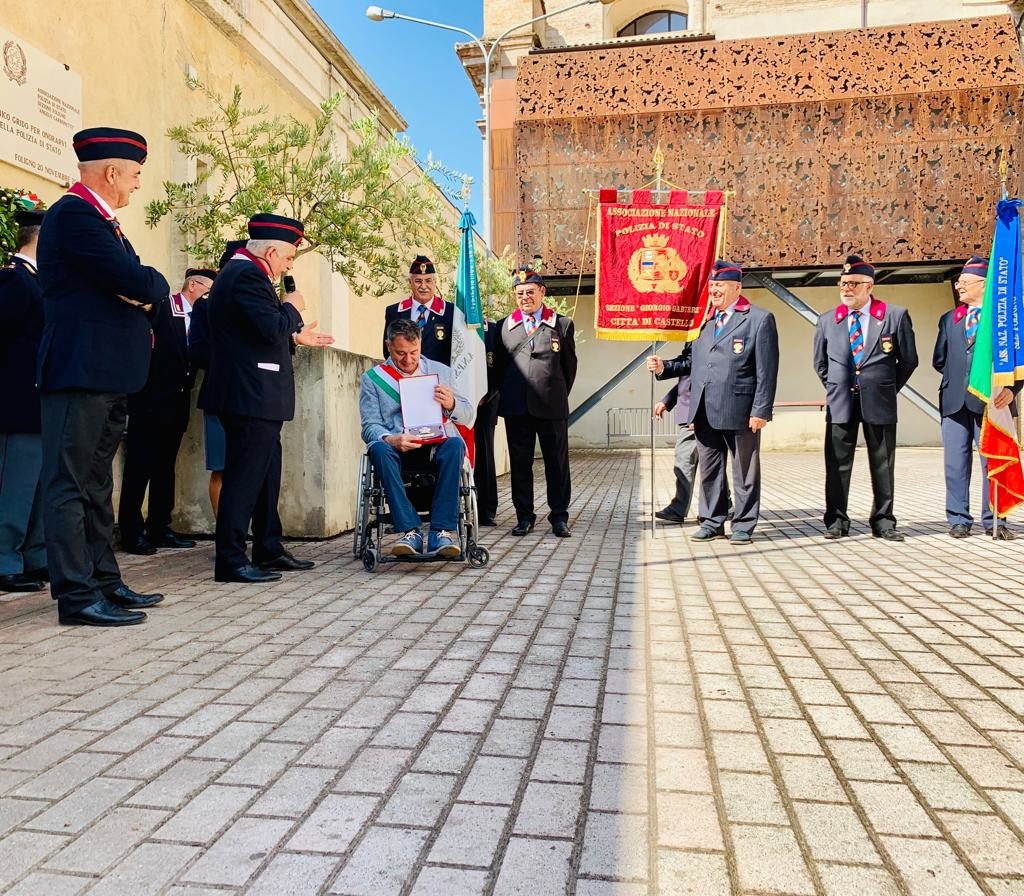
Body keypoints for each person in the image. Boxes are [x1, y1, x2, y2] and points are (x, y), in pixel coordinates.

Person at [37, 127, 170, 626]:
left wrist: (144, 289)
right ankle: (76, 596)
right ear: (112, 172)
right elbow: (138, 280)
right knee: (69, 484)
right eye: (134, 174)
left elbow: (144, 287)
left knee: (95, 485)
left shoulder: (101, 222)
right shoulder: (74, 215)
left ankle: (104, 582)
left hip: (106, 374)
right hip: (81, 371)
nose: (137, 184)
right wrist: (144, 288)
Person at [201, 214, 333, 584]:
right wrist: (292, 307)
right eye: (288, 258)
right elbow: (269, 327)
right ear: (272, 252)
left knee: (265, 475)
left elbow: (253, 332)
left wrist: (294, 335)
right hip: (249, 394)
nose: (289, 266)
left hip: (256, 394)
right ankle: (231, 560)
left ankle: (268, 547)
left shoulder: (246, 274)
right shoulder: (246, 276)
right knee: (243, 479)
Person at [813, 254, 919, 541]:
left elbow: (908, 361)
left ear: (869, 286)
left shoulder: (894, 316)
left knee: (882, 463)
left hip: (880, 401)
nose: (846, 289)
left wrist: (886, 388)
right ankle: (836, 520)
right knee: (837, 464)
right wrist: (836, 386)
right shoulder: (828, 320)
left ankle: (883, 521)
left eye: (853, 284)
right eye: (843, 283)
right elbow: (820, 364)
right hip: (841, 402)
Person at [360, 317, 474, 557]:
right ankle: (410, 531)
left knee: (455, 444)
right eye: (401, 353)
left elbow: (468, 414)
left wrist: (451, 404)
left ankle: (440, 532)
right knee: (377, 448)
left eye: (414, 352)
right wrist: (390, 439)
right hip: (397, 449)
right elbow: (369, 426)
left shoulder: (441, 371)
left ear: (420, 344)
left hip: (435, 447)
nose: (408, 359)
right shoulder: (373, 378)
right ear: (389, 346)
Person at [118, 267, 213, 554]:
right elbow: (143, 311)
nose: (209, 298)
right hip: (149, 401)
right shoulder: (164, 306)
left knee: (165, 467)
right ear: (193, 285)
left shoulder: (202, 319)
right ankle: (131, 530)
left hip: (177, 403)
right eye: (208, 291)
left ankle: (160, 526)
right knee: (139, 468)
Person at [689, 260, 779, 544]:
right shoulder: (704, 321)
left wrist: (761, 410)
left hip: (742, 410)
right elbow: (694, 362)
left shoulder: (758, 319)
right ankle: (712, 522)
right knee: (710, 469)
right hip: (705, 409)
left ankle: (743, 524)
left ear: (737, 287)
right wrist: (664, 367)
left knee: (744, 471)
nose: (714, 291)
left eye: (720, 285)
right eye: (712, 285)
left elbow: (767, 371)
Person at [933, 256, 1018, 539]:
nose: (959, 286)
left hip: (992, 402)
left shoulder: (1003, 321)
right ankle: (958, 519)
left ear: (984, 284)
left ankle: (995, 520)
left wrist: (1012, 389)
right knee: (955, 463)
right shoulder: (949, 319)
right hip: (954, 401)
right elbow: (940, 359)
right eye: (959, 282)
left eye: (965, 282)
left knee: (993, 461)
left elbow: (1017, 361)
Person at [493, 267, 578, 538]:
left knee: (557, 464)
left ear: (542, 292)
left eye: (530, 292)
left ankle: (559, 517)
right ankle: (524, 517)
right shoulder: (504, 327)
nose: (525, 298)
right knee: (520, 465)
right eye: (520, 293)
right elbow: (499, 369)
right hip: (517, 407)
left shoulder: (561, 324)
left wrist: (555, 392)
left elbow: (569, 368)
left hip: (551, 406)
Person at [0, 208, 48, 593]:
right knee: (14, 487)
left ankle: (35, 556)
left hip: (39, 401)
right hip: (16, 403)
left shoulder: (38, 281)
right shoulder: (14, 278)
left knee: (37, 485)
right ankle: (5, 560)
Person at [190, 241, 246, 517]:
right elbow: (198, 349)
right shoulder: (205, 305)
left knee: (253, 468)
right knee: (221, 466)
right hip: (220, 393)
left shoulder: (258, 301)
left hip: (256, 397)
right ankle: (225, 531)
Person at [382, 255, 455, 365]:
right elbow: (388, 350)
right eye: (418, 281)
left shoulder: (450, 312)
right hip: (404, 373)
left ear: (435, 282)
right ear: (410, 282)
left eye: (428, 281)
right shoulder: (394, 312)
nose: (423, 286)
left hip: (438, 374)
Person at [474, 319, 500, 526]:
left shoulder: (493, 329)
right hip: (454, 403)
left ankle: (486, 510)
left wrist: (485, 396)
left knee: (485, 456)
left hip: (486, 402)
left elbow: (502, 367)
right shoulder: (452, 323)